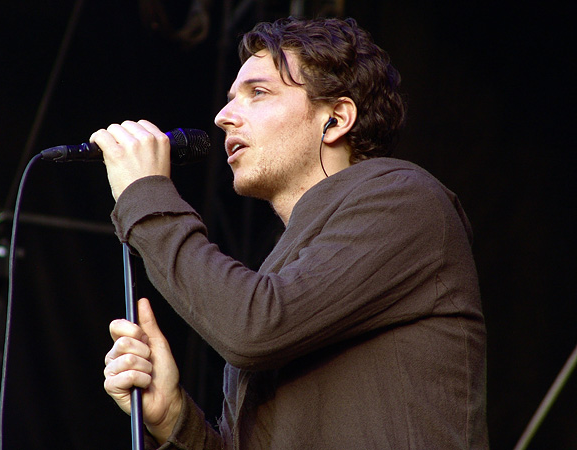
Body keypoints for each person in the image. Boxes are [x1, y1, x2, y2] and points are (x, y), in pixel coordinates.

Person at [97, 16, 488, 449]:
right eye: (229, 100)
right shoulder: (284, 273)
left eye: (258, 93)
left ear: (336, 118)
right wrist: (173, 419)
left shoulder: (405, 198)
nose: (223, 117)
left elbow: (254, 328)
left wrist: (146, 197)